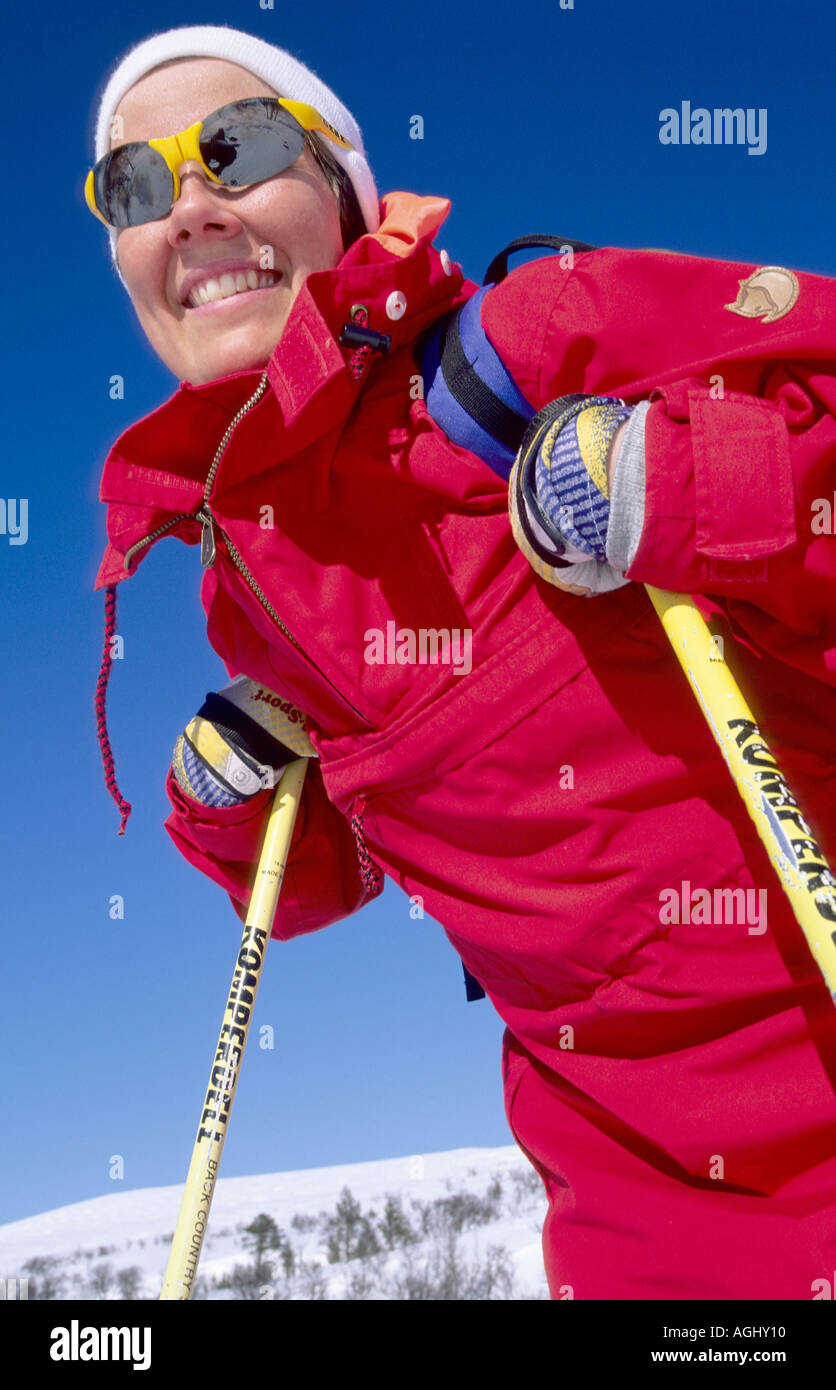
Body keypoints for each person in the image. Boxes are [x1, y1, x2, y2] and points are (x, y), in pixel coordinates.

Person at [86, 24, 836, 1300]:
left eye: (239, 146)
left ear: (342, 193)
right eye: (137, 186)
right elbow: (327, 873)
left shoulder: (531, 346)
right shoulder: (245, 584)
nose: (193, 204)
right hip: (635, 1182)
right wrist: (222, 808)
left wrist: (695, 484)